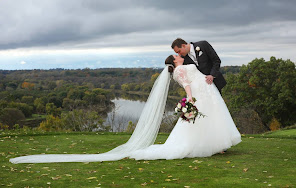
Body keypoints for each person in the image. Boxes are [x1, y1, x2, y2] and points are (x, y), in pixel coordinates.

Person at [10, 56, 241, 164]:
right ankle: (200, 146)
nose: (181, 56)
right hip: (196, 96)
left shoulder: (180, 67)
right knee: (191, 126)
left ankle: (208, 145)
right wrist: (190, 101)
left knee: (195, 125)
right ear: (175, 60)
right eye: (179, 55)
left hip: (201, 95)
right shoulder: (180, 71)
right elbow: (188, 85)